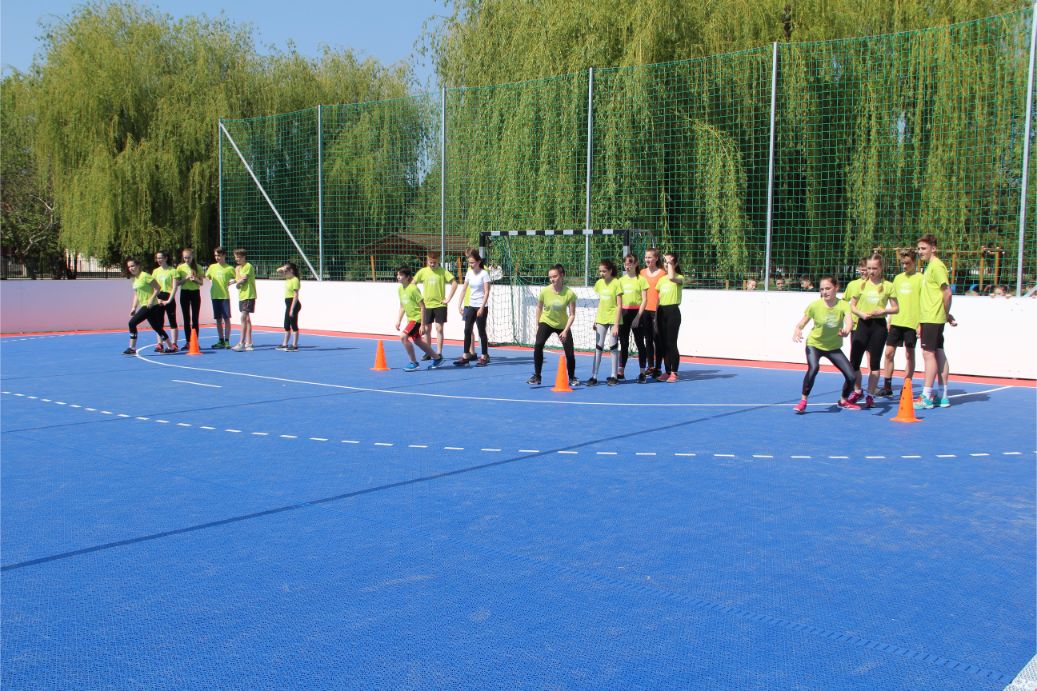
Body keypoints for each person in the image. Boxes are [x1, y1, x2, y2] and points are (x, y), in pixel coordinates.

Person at [792, 276, 860, 413]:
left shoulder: (843, 305)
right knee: (814, 368)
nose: (824, 292)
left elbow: (849, 323)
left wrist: (846, 331)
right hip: (814, 344)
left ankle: (843, 400)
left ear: (836, 288)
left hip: (833, 347)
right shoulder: (815, 305)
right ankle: (803, 400)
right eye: (822, 289)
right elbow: (802, 323)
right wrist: (798, 330)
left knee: (852, 376)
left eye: (828, 288)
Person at [847, 253, 898, 408]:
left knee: (874, 362)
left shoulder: (888, 286)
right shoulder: (861, 285)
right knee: (854, 362)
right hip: (863, 324)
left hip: (879, 326)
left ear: (881, 268)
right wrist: (861, 314)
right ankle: (857, 391)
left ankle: (870, 394)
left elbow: (896, 308)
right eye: (869, 268)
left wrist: (884, 311)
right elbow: (852, 305)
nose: (871, 271)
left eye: (874, 268)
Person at [915, 234, 957, 409]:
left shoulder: (937, 267)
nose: (920, 252)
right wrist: (945, 315)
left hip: (932, 317)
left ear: (933, 249)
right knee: (939, 352)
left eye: (923, 248)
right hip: (933, 316)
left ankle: (926, 396)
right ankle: (943, 395)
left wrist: (945, 313)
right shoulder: (931, 266)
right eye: (919, 248)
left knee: (928, 354)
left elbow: (947, 292)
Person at [878, 249, 921, 398]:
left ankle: (906, 386)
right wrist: (890, 319)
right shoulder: (897, 279)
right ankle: (887, 386)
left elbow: (924, 302)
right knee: (888, 353)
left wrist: (920, 324)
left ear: (914, 262)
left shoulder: (921, 279)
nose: (904, 266)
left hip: (912, 322)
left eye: (907, 263)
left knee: (909, 355)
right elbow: (894, 302)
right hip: (897, 321)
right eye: (902, 263)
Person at [527, 264, 578, 387]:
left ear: (562, 276)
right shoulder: (545, 291)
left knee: (570, 352)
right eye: (550, 277)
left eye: (554, 276)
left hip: (562, 324)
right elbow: (539, 307)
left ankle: (572, 377)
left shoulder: (569, 293)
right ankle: (537, 376)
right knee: (538, 344)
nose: (552, 279)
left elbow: (572, 314)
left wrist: (565, 331)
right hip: (547, 321)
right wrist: (538, 324)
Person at [413, 251, 458, 360]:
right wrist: (418, 298)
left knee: (439, 328)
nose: (432, 264)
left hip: (440, 305)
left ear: (438, 261)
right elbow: (413, 284)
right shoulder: (423, 271)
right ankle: (428, 352)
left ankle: (439, 352)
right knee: (427, 329)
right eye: (430, 262)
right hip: (427, 305)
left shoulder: (443, 272)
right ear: (427, 261)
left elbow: (454, 283)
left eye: (434, 262)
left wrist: (448, 299)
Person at [124, 258, 174, 355]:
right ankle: (171, 347)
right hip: (144, 305)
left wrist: (151, 299)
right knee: (157, 327)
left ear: (138, 266)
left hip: (151, 306)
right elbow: (137, 294)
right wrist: (134, 307)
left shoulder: (145, 276)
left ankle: (132, 348)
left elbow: (158, 288)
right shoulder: (134, 279)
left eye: (132, 266)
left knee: (132, 323)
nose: (131, 268)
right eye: (129, 267)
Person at [395, 267, 440, 371]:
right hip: (410, 319)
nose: (398, 277)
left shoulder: (413, 289)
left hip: (417, 319)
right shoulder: (400, 289)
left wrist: (423, 325)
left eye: (401, 275)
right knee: (418, 341)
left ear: (408, 277)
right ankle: (437, 358)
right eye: (397, 275)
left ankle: (414, 362)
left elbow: (423, 306)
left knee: (403, 337)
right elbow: (402, 306)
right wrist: (398, 320)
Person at [454, 249, 492, 366]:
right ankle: (465, 356)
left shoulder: (484, 274)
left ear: (478, 262)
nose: (470, 265)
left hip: (481, 306)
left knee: (481, 331)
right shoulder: (469, 273)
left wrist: (481, 307)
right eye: (469, 262)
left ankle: (484, 356)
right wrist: (459, 305)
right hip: (471, 305)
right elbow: (464, 289)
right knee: (467, 330)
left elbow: (487, 292)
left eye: (472, 262)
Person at [588, 259, 622, 386]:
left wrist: (616, 324)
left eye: (604, 271)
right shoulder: (599, 283)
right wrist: (596, 320)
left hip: (613, 318)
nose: (601, 273)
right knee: (598, 346)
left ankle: (614, 375)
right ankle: (594, 376)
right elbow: (601, 302)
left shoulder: (617, 283)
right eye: (600, 271)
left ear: (610, 271)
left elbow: (619, 305)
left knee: (613, 346)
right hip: (601, 318)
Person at [655, 252, 685, 382]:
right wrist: (655, 315)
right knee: (663, 343)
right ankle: (667, 371)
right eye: (665, 262)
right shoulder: (661, 280)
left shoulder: (679, 277)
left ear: (675, 264)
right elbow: (659, 298)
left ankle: (674, 372)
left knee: (671, 343)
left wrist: (669, 262)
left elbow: (672, 277)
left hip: (673, 311)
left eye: (670, 263)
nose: (666, 265)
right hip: (662, 311)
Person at [617, 254, 648, 380]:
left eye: (630, 263)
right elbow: (618, 301)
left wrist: (638, 317)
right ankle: (620, 371)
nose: (627, 266)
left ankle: (642, 372)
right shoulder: (620, 281)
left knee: (640, 343)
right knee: (623, 343)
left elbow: (644, 300)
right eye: (625, 263)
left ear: (636, 264)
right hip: (624, 313)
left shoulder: (641, 280)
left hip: (637, 313)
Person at [639, 248, 666, 382]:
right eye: (646, 257)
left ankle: (658, 367)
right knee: (648, 339)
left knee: (657, 339)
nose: (647, 259)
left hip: (657, 310)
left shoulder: (662, 273)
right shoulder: (642, 273)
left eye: (650, 257)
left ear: (656, 258)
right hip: (645, 310)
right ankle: (650, 366)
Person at [205, 247, 236, 348]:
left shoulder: (230, 268)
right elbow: (207, 276)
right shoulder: (212, 267)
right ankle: (221, 340)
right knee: (218, 319)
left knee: (226, 319)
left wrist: (232, 281)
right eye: (215, 255)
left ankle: (227, 341)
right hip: (215, 296)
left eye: (219, 255)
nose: (217, 257)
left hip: (224, 296)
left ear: (224, 255)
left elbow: (238, 277)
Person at [152, 250, 180, 352]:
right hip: (159, 298)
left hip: (169, 297)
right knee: (158, 322)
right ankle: (160, 344)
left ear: (166, 258)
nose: (159, 260)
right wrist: (157, 299)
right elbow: (153, 287)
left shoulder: (173, 271)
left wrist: (169, 300)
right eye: (157, 258)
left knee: (172, 321)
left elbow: (174, 287)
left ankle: (174, 343)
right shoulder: (155, 271)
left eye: (161, 258)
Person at [229, 248, 256, 351]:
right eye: (236, 257)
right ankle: (249, 343)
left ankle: (241, 343)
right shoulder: (237, 268)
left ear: (244, 257)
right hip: (242, 296)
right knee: (247, 319)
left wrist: (237, 284)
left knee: (243, 318)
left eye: (239, 257)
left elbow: (244, 279)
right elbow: (237, 279)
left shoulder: (248, 266)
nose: (237, 259)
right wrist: (231, 282)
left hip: (249, 295)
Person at [177, 248, 204, 348]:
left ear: (192, 257)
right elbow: (178, 283)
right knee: (186, 318)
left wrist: (195, 279)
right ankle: (188, 342)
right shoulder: (180, 268)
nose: (187, 260)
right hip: (184, 293)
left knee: (195, 318)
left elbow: (201, 283)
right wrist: (186, 278)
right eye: (185, 258)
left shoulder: (198, 267)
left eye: (188, 257)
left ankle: (195, 342)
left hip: (195, 293)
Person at [276, 262, 301, 351]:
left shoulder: (295, 280)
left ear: (291, 271)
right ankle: (285, 344)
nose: (284, 271)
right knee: (286, 325)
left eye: (286, 270)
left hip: (293, 304)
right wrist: (284, 267)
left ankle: (294, 345)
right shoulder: (288, 278)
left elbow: (296, 295)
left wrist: (292, 309)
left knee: (293, 324)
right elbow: (278, 270)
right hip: (288, 304)